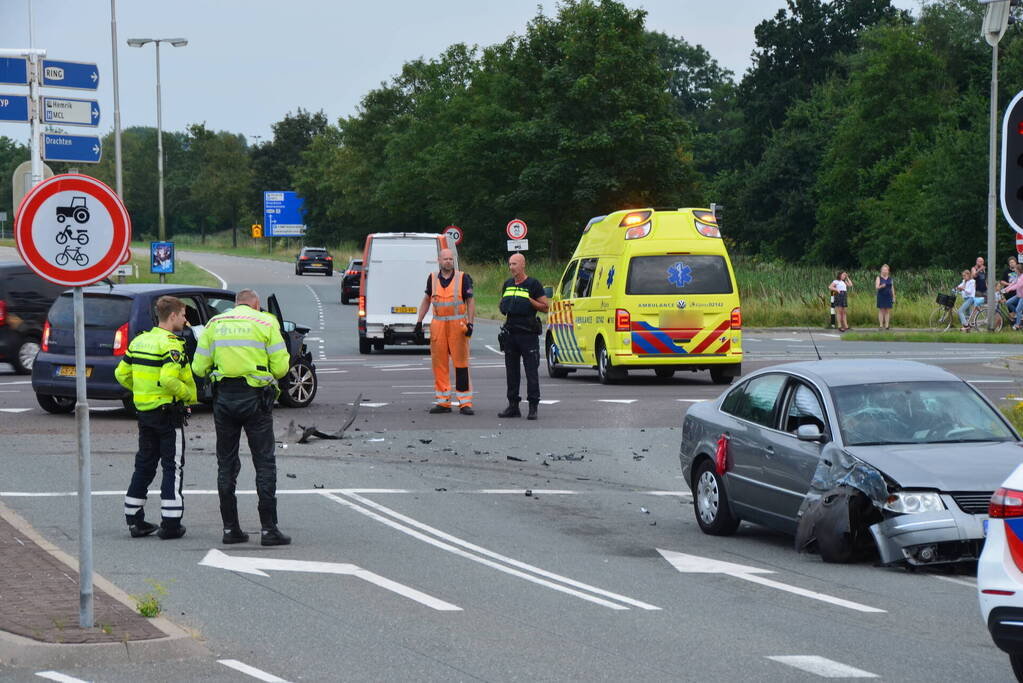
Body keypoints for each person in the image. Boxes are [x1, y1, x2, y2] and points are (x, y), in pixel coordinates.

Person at [192, 289, 292, 546]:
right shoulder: (266, 322)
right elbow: (281, 367)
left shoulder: (214, 323)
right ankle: (269, 529)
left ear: (235, 304)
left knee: (226, 464)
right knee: (264, 463)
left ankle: (230, 529)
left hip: (224, 399)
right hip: (256, 400)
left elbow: (198, 367)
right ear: (256, 305)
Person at [115, 296, 196, 540]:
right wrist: (188, 396)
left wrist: (142, 390)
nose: (185, 320)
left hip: (145, 412)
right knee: (173, 467)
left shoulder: (140, 341)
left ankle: (134, 519)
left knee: (145, 464)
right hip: (167, 414)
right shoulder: (172, 345)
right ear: (172, 316)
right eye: (183, 315)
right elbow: (170, 379)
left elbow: (121, 373)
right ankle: (171, 523)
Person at [415, 248, 475, 415]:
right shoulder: (432, 278)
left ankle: (465, 402)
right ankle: (443, 402)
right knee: (439, 365)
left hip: (458, 326)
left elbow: (470, 301)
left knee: (461, 365)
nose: (448, 261)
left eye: (450, 259)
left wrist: (471, 324)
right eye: (445, 259)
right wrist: (419, 321)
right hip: (438, 326)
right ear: (439, 261)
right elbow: (427, 299)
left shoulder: (463, 278)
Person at [498, 253, 548, 420]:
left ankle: (533, 406)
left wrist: (529, 300)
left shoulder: (533, 284)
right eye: (510, 264)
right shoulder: (507, 284)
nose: (511, 267)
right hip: (511, 333)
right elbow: (502, 304)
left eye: (514, 264)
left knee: (531, 372)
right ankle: (513, 406)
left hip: (528, 334)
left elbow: (545, 307)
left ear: (522, 265)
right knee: (511, 372)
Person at [875, 264, 895, 330]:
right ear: (881, 270)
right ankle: (881, 325)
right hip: (881, 295)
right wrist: (881, 286)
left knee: (887, 311)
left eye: (886, 270)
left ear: (888, 271)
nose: (884, 271)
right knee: (881, 310)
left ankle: (887, 325)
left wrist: (894, 297)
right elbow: (876, 287)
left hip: (888, 296)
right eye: (883, 270)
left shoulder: (890, 278)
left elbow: (892, 288)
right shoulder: (878, 278)